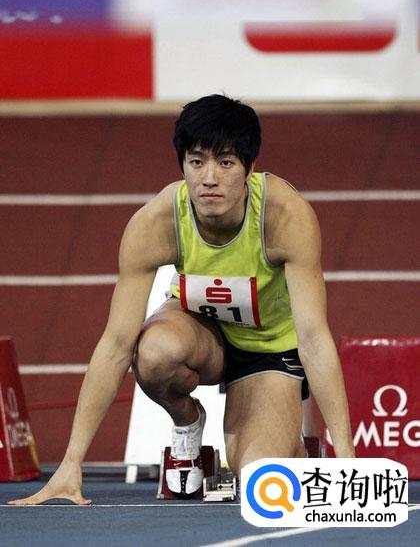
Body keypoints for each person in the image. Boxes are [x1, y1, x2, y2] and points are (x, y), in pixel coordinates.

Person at [9, 94, 354, 505]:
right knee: (154, 352)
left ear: (249, 168)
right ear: (182, 166)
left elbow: (313, 338)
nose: (209, 178)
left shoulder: (285, 217)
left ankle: (300, 448)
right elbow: (116, 344)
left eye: (226, 163)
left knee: (259, 478)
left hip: (267, 349)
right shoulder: (155, 223)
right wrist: (71, 463)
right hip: (199, 331)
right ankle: (187, 424)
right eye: (196, 162)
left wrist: (346, 457)